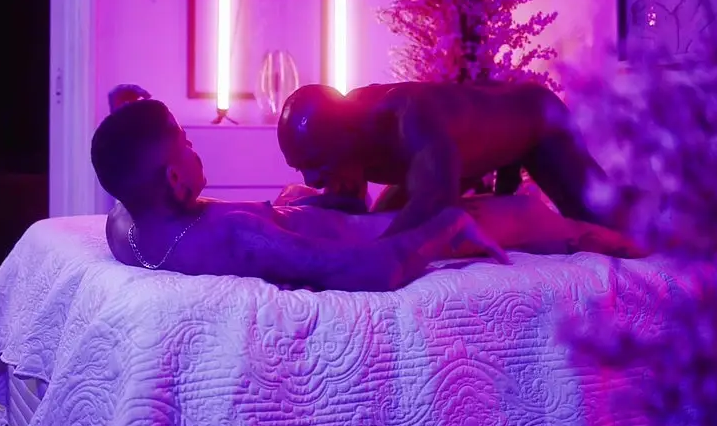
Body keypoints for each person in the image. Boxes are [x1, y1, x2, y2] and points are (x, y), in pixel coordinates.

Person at [91, 100, 642, 292]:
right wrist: (443, 229)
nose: (195, 148)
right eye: (186, 143)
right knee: (525, 215)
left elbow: (125, 179)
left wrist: (298, 205)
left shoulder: (126, 227)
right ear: (174, 181)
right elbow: (368, 270)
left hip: (323, 215)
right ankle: (653, 251)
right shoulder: (236, 236)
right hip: (372, 233)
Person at [277, 82, 619, 237]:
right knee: (385, 214)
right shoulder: (353, 134)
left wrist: (351, 259)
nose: (311, 181)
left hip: (537, 120)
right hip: (462, 151)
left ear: (345, 136)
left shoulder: (405, 115)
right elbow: (354, 211)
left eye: (316, 163)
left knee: (610, 221)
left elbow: (435, 204)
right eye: (300, 168)